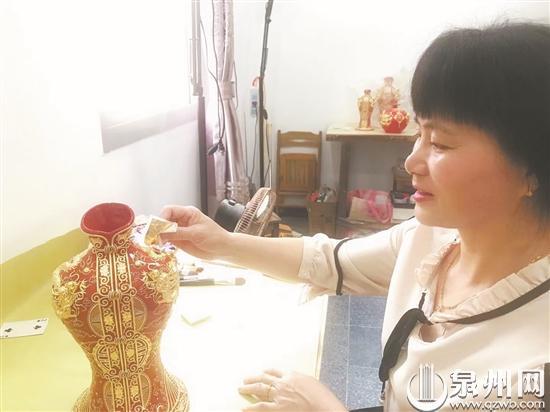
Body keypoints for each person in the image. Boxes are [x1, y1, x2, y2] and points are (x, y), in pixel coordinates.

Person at [160, 22, 550, 411]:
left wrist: (322, 406)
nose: (411, 162)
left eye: (441, 144)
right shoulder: (433, 239)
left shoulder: (536, 362)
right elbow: (329, 260)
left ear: (531, 171)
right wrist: (223, 244)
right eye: (420, 134)